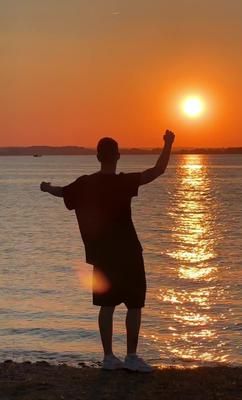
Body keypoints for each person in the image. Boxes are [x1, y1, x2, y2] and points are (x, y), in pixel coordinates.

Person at [40, 130, 175, 372]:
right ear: (118, 156)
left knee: (107, 305)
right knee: (134, 304)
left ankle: (109, 357)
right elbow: (156, 172)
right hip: (129, 252)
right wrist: (168, 144)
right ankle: (131, 357)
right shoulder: (122, 182)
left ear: (98, 157)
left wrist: (47, 187)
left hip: (103, 255)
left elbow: (62, 191)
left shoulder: (85, 184)